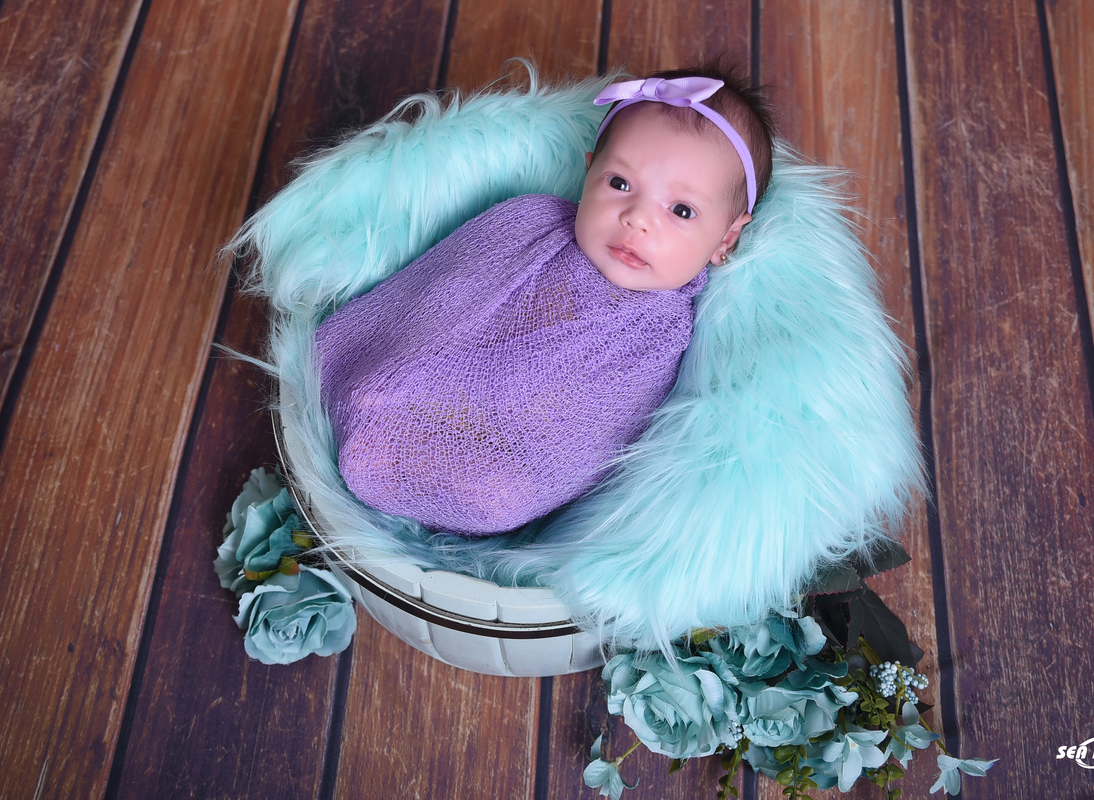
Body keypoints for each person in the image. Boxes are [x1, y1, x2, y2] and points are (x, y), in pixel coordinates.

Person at [316, 63, 776, 535]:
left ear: (725, 238)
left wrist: (483, 414)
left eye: (681, 210)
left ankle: (396, 457)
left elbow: (594, 429)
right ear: (589, 170)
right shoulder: (531, 221)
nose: (637, 219)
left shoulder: (662, 331)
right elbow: (443, 290)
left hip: (513, 442)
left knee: (498, 496)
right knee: (380, 370)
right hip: (440, 369)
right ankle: (368, 397)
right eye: (619, 183)